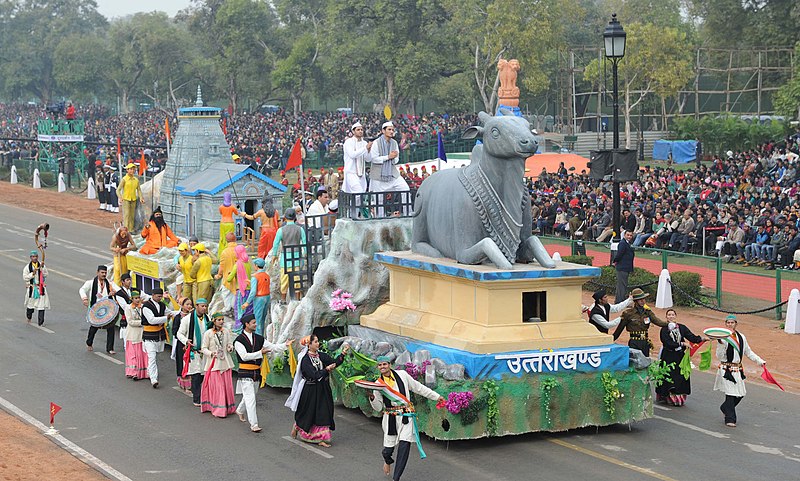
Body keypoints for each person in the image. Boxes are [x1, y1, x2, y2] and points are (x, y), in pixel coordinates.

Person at [369, 356, 445, 480]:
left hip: (406, 417)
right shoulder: (378, 385)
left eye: (384, 364)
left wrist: (436, 397)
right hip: (390, 419)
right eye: (380, 365)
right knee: (388, 451)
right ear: (378, 367)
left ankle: (396, 478)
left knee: (404, 446)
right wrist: (372, 398)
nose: (382, 367)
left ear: (389, 364)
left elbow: (418, 387)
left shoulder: (403, 375)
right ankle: (387, 460)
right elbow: (378, 408)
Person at [286, 335, 349, 447]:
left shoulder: (321, 356)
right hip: (310, 390)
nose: (317, 343)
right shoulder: (305, 360)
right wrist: (326, 369)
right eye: (315, 342)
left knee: (324, 411)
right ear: (309, 345)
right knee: (309, 412)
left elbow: (333, 362)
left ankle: (321, 438)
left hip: (323, 388)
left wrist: (342, 354)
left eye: (317, 341)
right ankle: (298, 426)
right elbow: (314, 375)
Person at [233, 314, 291, 432]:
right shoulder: (238, 341)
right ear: (246, 324)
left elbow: (273, 347)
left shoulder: (259, 338)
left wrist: (285, 345)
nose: (256, 324)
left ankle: (239, 410)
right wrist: (260, 353)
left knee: (251, 395)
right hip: (245, 372)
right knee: (250, 398)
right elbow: (244, 357)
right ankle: (254, 424)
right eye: (253, 322)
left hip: (256, 372)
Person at [714, 315, 766, 427]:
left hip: (738, 369)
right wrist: (721, 345)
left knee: (740, 394)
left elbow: (748, 352)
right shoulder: (723, 338)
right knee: (730, 394)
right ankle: (730, 419)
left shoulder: (741, 337)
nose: (730, 325)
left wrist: (760, 361)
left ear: (736, 324)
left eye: (732, 323)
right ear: (725, 324)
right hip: (726, 369)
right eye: (728, 323)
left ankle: (725, 408)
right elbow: (719, 356)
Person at [656, 309, 705, 406]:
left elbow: (692, 337)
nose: (671, 316)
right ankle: (668, 397)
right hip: (668, 356)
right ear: (666, 317)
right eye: (669, 315)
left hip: (679, 356)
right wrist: (681, 343)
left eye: (672, 314)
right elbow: (667, 343)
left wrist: (703, 339)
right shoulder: (664, 329)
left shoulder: (682, 328)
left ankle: (678, 397)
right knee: (668, 376)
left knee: (680, 376)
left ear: (675, 316)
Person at [369, 121, 410, 216]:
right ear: (383, 131)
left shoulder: (394, 143)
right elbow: (374, 159)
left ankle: (408, 213)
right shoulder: (376, 143)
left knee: (405, 188)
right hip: (378, 175)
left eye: (392, 130)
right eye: (389, 129)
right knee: (379, 200)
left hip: (392, 173)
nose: (391, 131)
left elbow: (396, 159)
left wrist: (393, 158)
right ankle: (380, 219)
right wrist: (388, 157)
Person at [200, 313, 236, 418]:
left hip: (225, 362)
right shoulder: (208, 333)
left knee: (226, 386)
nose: (221, 321)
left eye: (222, 320)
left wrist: (230, 347)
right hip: (214, 363)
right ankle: (218, 409)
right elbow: (203, 348)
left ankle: (228, 408)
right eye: (219, 320)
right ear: (214, 321)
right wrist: (211, 354)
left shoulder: (226, 331)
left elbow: (229, 343)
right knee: (218, 387)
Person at [612, 288, 667, 357]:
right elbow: (619, 329)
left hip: (644, 342)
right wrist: (611, 339)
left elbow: (658, 321)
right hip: (634, 342)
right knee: (634, 362)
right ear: (635, 301)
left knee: (645, 362)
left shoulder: (647, 312)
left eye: (643, 299)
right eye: (640, 299)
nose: (643, 301)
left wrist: (669, 324)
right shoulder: (628, 313)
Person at [176, 298, 210, 406]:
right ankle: (197, 399)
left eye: (205, 306)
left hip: (204, 352)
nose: (204, 308)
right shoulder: (187, 319)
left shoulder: (208, 319)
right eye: (202, 306)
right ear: (197, 306)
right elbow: (179, 334)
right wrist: (186, 341)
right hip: (194, 352)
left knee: (203, 376)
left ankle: (204, 397)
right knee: (195, 375)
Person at [271, 208, 307, 302]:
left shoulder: (281, 230)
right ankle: (298, 298)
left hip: (285, 258)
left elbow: (275, 244)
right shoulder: (300, 229)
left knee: (284, 278)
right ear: (295, 217)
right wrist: (305, 254)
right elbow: (304, 243)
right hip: (297, 258)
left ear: (285, 218)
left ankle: (283, 299)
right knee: (297, 278)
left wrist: (274, 256)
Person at [79, 265, 117, 354]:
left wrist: (114, 292)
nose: (104, 274)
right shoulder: (91, 283)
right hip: (96, 310)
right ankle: (89, 342)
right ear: (97, 272)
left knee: (111, 328)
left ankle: (110, 348)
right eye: (102, 272)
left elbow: (117, 289)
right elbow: (82, 290)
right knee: (94, 327)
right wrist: (84, 298)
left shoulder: (109, 283)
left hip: (107, 309)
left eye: (105, 273)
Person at [141, 288, 171, 389]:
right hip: (149, 335)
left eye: (161, 296)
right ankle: (154, 379)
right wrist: (167, 318)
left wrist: (181, 312)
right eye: (158, 296)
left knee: (155, 355)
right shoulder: (146, 306)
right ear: (153, 295)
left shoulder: (162, 305)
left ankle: (150, 371)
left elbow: (169, 312)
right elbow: (152, 320)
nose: (160, 298)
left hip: (159, 335)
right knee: (152, 356)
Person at [243, 195, 280, 259]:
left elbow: (252, 217)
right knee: (272, 247)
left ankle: (261, 261)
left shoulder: (261, 211)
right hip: (274, 231)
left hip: (265, 231)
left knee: (262, 247)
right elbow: (279, 223)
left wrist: (245, 215)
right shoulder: (276, 212)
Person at [123, 290, 149, 381]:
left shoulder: (143, 307)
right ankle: (133, 372)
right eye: (135, 298)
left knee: (143, 353)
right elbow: (130, 322)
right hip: (132, 334)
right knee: (133, 354)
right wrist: (142, 322)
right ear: (132, 299)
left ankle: (145, 372)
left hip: (142, 334)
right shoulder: (128, 308)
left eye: (138, 298)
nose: (137, 300)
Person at [226, 244, 253, 330]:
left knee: (239, 310)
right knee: (249, 310)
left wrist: (229, 275)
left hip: (241, 291)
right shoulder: (248, 263)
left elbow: (229, 279)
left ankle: (239, 327)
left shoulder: (237, 264)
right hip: (249, 290)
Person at [242, 258, 270, 335]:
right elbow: (262, 285)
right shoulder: (266, 275)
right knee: (263, 318)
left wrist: (247, 302)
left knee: (257, 319)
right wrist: (251, 283)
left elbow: (253, 291)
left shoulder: (255, 277)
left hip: (259, 298)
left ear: (256, 266)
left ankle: (258, 336)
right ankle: (262, 335)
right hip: (267, 297)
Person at [172, 297, 194, 391]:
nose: (189, 306)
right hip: (182, 344)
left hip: (192, 343)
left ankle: (192, 384)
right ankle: (184, 383)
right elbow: (174, 331)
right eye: (187, 304)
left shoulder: (194, 316)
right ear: (182, 305)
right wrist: (183, 339)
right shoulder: (178, 317)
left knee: (192, 363)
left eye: (190, 304)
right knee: (182, 362)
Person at [23, 250, 49, 326]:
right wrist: (32, 274)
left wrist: (43, 268)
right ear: (30, 258)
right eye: (33, 257)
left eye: (36, 256)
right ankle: (29, 316)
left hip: (40, 288)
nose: (35, 258)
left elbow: (46, 274)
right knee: (30, 306)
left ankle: (40, 322)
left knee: (41, 306)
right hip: (32, 289)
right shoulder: (27, 267)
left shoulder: (41, 265)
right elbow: (25, 278)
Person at [117, 163, 143, 231]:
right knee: (127, 215)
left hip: (133, 199)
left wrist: (141, 198)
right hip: (126, 199)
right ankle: (125, 230)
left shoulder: (136, 180)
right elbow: (118, 190)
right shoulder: (124, 179)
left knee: (132, 216)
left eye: (133, 169)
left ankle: (131, 230)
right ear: (127, 170)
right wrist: (120, 197)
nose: (132, 171)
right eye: (131, 169)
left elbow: (139, 190)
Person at [613, 230, 635, 303]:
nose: (629, 237)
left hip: (625, 267)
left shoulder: (627, 243)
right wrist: (615, 261)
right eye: (628, 235)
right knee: (621, 286)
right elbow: (619, 254)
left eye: (630, 235)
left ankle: (621, 301)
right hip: (622, 267)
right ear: (624, 235)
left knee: (623, 285)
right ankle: (619, 301)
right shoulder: (622, 243)